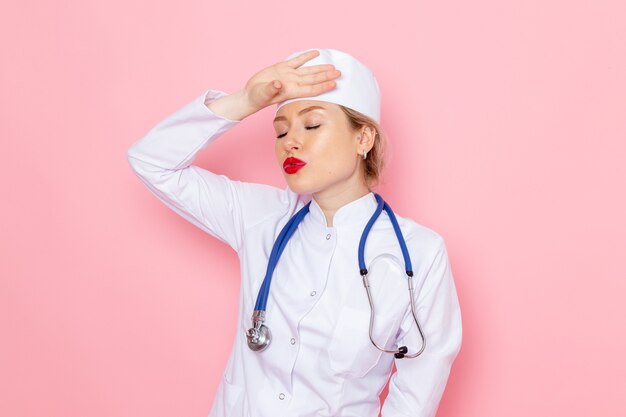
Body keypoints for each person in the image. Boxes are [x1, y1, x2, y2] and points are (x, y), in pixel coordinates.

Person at [127, 48, 462, 417]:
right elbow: (150, 161)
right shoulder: (260, 218)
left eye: (312, 125)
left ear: (363, 139)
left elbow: (416, 393)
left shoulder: (419, 253)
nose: (290, 141)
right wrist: (245, 101)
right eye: (281, 130)